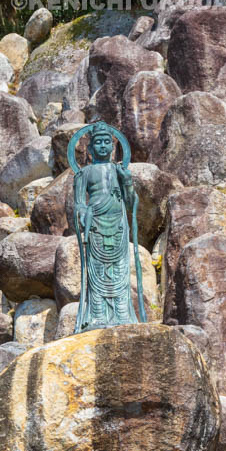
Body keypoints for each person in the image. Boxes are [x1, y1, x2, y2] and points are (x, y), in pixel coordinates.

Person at [72, 123, 140, 332]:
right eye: (97, 142)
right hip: (96, 225)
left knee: (120, 271)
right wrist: (82, 213)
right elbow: (78, 203)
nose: (102, 146)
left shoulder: (119, 171)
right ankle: (97, 316)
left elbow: (131, 204)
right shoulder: (83, 174)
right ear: (90, 149)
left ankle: (122, 314)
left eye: (106, 142)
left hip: (118, 223)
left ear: (113, 146)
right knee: (97, 272)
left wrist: (127, 181)